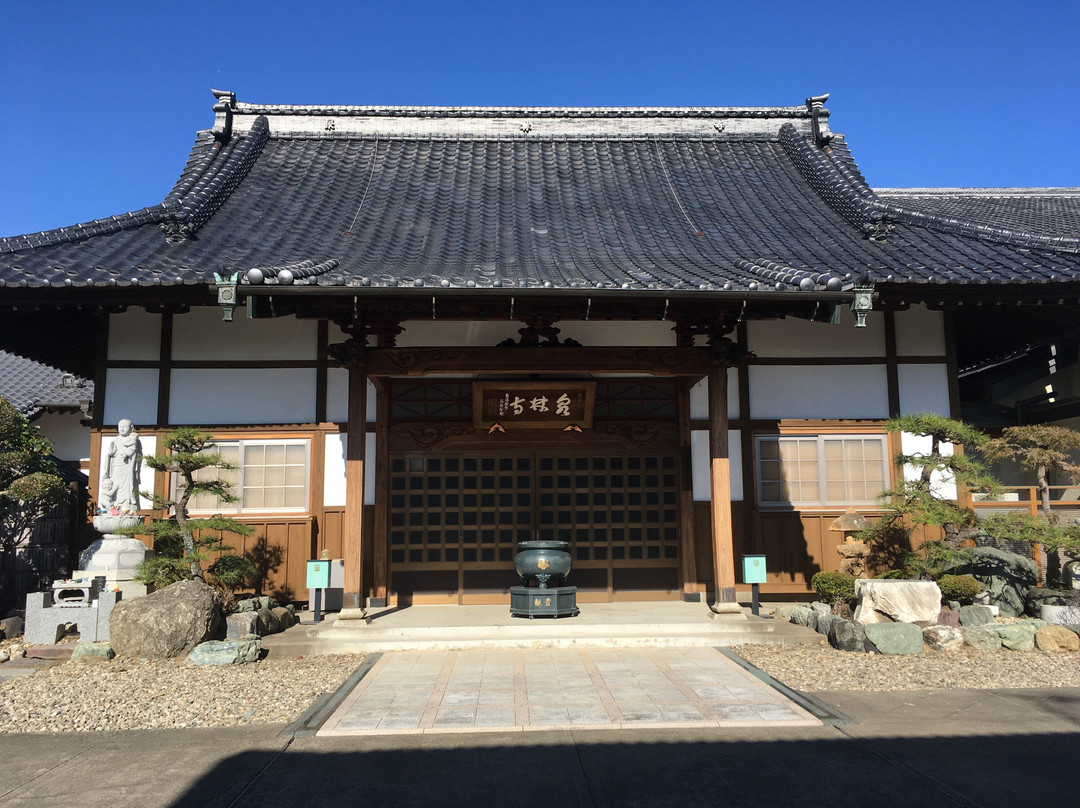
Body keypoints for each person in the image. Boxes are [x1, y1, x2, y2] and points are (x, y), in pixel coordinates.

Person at [105, 419, 142, 512]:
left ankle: (127, 505)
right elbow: (110, 453)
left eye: (124, 426)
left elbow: (133, 451)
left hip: (127, 467)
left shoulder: (133, 439)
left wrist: (127, 453)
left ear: (131, 428)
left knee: (128, 485)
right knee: (115, 484)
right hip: (116, 466)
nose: (121, 429)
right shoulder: (116, 439)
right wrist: (110, 454)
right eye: (120, 426)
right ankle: (115, 505)